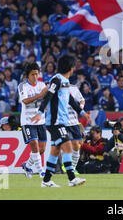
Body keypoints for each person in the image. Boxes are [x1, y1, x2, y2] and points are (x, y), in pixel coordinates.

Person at [37, 54, 89, 187]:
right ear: (71, 68)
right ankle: (72, 178)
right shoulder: (56, 80)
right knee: (68, 146)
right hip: (55, 122)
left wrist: (82, 113)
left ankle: (46, 181)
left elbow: (71, 100)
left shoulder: (65, 82)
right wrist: (40, 112)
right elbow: (48, 96)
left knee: (55, 150)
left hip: (62, 122)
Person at [19, 63, 48, 179]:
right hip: (27, 121)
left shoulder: (42, 85)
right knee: (34, 145)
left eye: (37, 74)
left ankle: (27, 165)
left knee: (42, 149)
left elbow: (47, 98)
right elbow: (25, 101)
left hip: (41, 121)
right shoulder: (22, 86)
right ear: (27, 75)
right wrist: (40, 95)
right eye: (33, 74)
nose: (35, 77)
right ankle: (41, 171)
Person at [66, 82, 87, 174]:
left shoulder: (74, 88)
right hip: (62, 122)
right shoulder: (57, 87)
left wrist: (80, 108)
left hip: (74, 121)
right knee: (65, 144)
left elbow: (82, 100)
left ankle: (72, 168)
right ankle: (65, 165)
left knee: (76, 144)